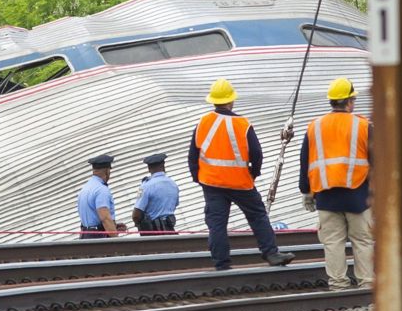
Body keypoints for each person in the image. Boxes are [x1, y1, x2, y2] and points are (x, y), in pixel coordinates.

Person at [188, 78, 296, 270]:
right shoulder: (242, 124)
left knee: (217, 224)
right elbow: (256, 153)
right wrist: (253, 173)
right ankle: (271, 253)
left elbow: (193, 154)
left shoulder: (203, 122)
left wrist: (198, 177)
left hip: (212, 183)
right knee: (257, 216)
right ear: (231, 101)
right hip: (240, 183)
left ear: (213, 100)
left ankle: (222, 264)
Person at [299, 77, 374, 290]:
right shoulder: (363, 126)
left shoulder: (314, 127)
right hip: (358, 195)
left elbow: (305, 160)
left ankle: (338, 285)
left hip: (325, 195)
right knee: (363, 241)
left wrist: (306, 191)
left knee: (333, 242)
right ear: (350, 101)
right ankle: (366, 283)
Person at [77, 154, 127, 239]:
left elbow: (92, 217)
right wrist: (117, 240)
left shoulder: (86, 187)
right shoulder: (101, 190)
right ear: (107, 171)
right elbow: (105, 218)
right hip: (98, 237)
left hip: (85, 234)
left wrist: (114, 226)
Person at [132, 152, 179, 235]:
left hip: (153, 233)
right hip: (170, 230)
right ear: (163, 165)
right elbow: (175, 204)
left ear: (149, 168)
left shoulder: (144, 186)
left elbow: (136, 215)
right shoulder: (173, 184)